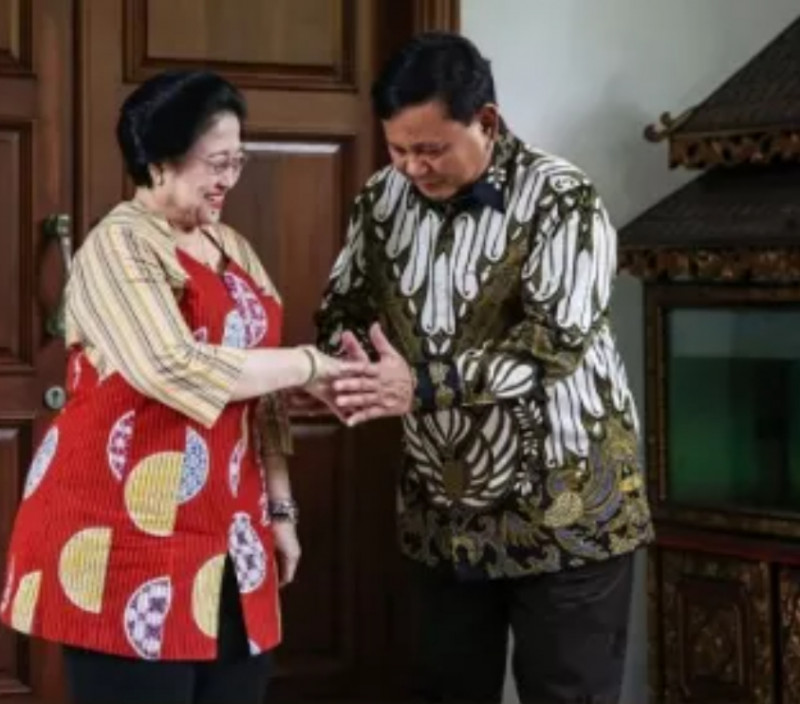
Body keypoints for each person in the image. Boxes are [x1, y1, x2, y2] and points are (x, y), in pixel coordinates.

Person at [0, 69, 363, 704]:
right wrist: (311, 363)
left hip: (230, 536)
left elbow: (260, 391)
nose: (228, 179)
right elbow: (174, 367)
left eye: (237, 162)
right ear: (159, 161)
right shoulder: (117, 248)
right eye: (215, 162)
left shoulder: (232, 248)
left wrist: (279, 508)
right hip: (124, 534)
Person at [313, 33, 655, 704]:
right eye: (399, 149)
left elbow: (552, 342)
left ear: (488, 123)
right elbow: (342, 306)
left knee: (567, 693)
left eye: (431, 149)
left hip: (567, 506)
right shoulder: (381, 201)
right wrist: (348, 365)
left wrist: (420, 385)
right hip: (441, 513)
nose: (413, 167)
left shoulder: (564, 198)